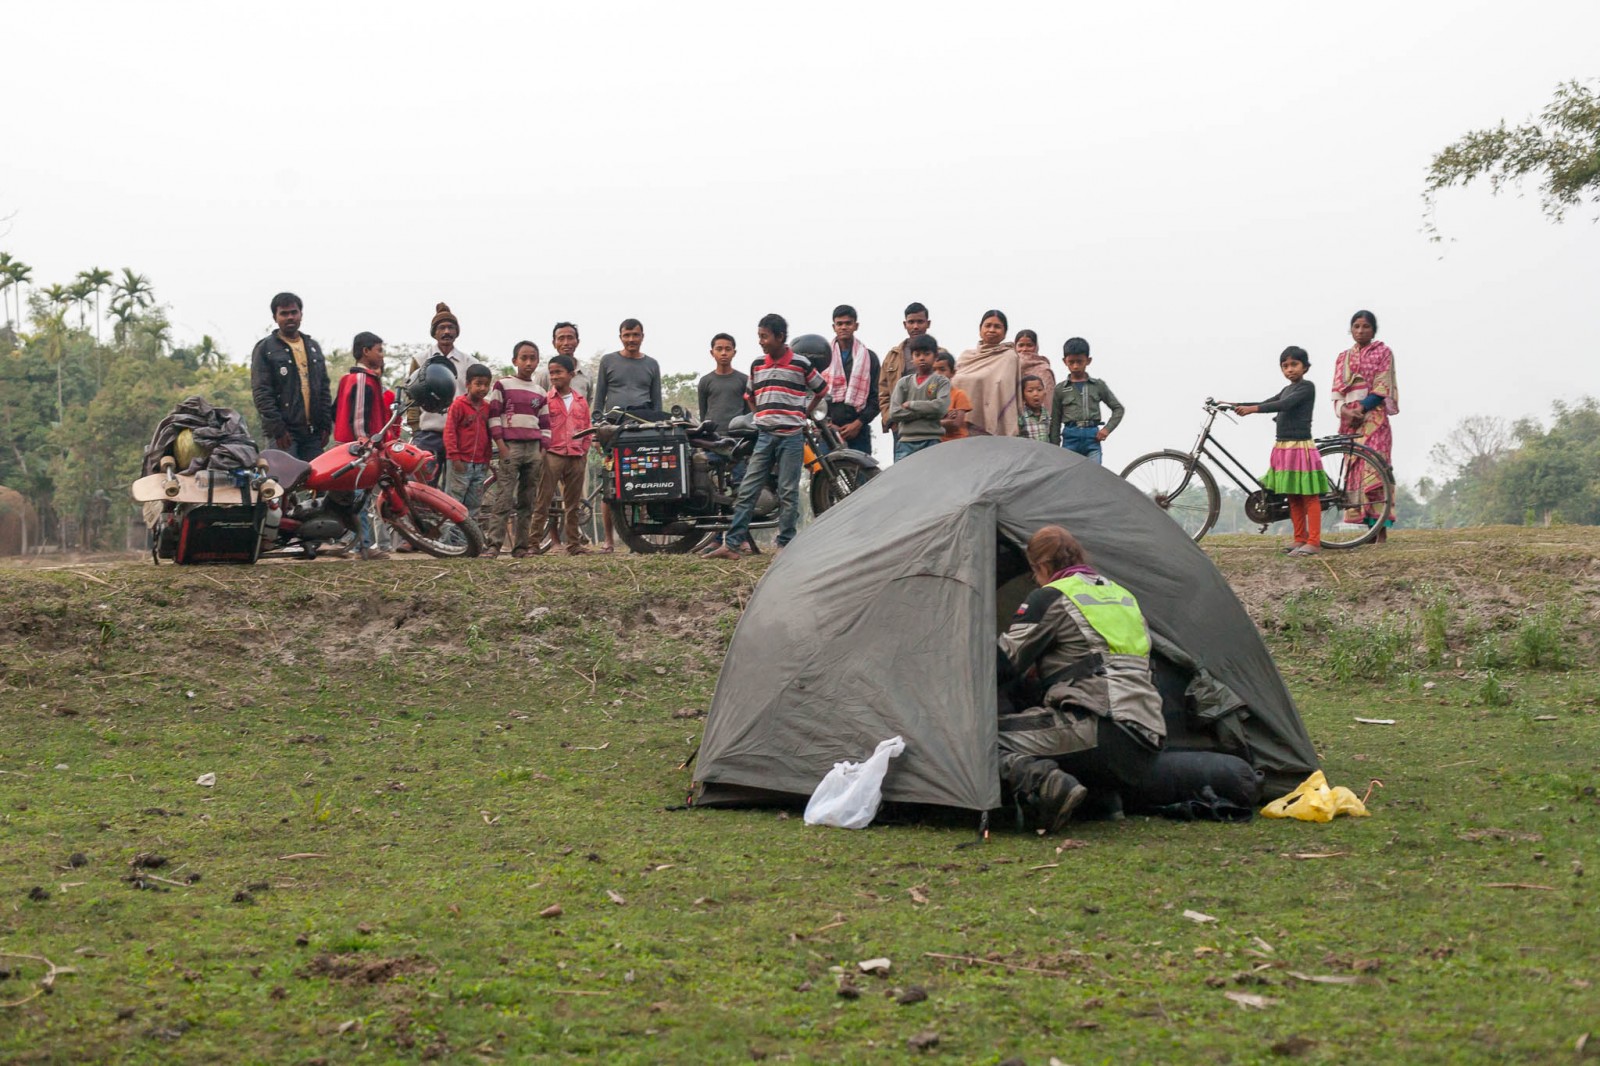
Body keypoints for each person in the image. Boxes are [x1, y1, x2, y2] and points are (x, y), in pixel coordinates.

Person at [996, 525, 1166, 832]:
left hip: (1098, 728)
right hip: (1146, 736)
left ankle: (1047, 785)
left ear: (1042, 567)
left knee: (980, 739)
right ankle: (1103, 800)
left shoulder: (1050, 597)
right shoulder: (1121, 594)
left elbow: (1003, 663)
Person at [706, 315, 825, 560]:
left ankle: (785, 544)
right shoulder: (758, 364)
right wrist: (760, 416)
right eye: (759, 335)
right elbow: (750, 396)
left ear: (780, 337)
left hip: (791, 437)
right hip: (764, 437)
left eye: (764, 336)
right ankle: (733, 544)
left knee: (788, 492)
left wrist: (806, 411)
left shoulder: (801, 364)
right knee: (748, 489)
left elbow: (821, 388)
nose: (761, 341)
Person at [1233, 346, 1330, 557]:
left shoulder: (1306, 387)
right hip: (1284, 447)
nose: (1289, 370)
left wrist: (1252, 410)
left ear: (1305, 367)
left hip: (1300, 447)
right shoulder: (1287, 388)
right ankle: (1299, 538)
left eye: (1294, 364)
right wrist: (1238, 405)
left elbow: (1284, 405)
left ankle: (1313, 541)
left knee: (1309, 496)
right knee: (1292, 496)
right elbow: (1270, 402)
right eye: (1285, 366)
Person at [593, 318, 662, 552]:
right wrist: (596, 429)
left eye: (636, 335)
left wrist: (658, 428)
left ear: (643, 336)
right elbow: (599, 399)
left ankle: (637, 540)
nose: (631, 339)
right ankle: (609, 540)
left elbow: (657, 403)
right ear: (620, 336)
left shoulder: (652, 364)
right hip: (613, 429)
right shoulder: (608, 361)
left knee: (642, 481)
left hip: (642, 429)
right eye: (627, 335)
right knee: (609, 483)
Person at [1330, 309, 1399, 539]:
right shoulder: (1343, 357)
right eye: (1356, 326)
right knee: (1357, 473)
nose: (1360, 331)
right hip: (1351, 424)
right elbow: (1337, 392)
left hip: (1375, 421)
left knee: (1377, 470)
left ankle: (1380, 531)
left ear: (1374, 330)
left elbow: (1382, 385)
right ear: (1350, 330)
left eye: (1365, 326)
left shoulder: (1383, 353)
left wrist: (1363, 407)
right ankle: (1368, 530)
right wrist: (1346, 411)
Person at [331, 331, 395, 560]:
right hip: (358, 448)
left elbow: (334, 410)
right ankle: (362, 546)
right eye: (379, 350)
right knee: (359, 497)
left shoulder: (354, 379)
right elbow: (359, 417)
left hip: (351, 445)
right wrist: (364, 444)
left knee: (358, 497)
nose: (382, 354)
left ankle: (359, 544)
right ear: (366, 351)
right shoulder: (361, 379)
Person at [485, 340, 552, 558]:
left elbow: (545, 425)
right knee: (504, 497)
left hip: (533, 449)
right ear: (515, 360)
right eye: (524, 358)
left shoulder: (540, 392)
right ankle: (493, 545)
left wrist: (542, 450)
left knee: (527, 499)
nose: (528, 362)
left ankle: (521, 546)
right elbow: (494, 416)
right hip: (510, 447)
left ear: (538, 361)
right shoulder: (502, 385)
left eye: (533, 358)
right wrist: (501, 445)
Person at [251, 292, 333, 461]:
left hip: (313, 433)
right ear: (275, 317)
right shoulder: (265, 348)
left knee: (318, 482)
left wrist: (326, 425)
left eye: (294, 312)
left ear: (301, 315)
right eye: (284, 313)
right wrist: (278, 430)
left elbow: (323, 388)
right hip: (283, 434)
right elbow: (262, 393)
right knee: (285, 484)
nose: (290, 317)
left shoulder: (313, 347)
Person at [533, 322, 593, 550]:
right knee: (544, 500)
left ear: (571, 374)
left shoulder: (581, 394)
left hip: (576, 454)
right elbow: (538, 417)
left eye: (570, 337)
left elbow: (587, 424)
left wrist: (585, 449)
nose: (555, 376)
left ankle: (574, 544)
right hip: (553, 453)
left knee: (573, 503)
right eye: (552, 373)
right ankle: (535, 543)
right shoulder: (545, 391)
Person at [405, 302, 473, 481]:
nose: (446, 332)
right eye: (442, 327)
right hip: (428, 433)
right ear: (434, 332)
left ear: (457, 332)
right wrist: (415, 428)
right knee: (422, 486)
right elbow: (410, 397)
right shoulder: (420, 360)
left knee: (456, 488)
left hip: (460, 436)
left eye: (451, 327)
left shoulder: (469, 362)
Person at [878, 302, 952, 442]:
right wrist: (889, 418)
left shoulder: (941, 355)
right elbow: (883, 392)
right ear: (905, 324)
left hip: (932, 427)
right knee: (904, 463)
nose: (915, 326)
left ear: (928, 323)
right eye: (911, 322)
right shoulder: (893, 356)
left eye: (920, 322)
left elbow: (948, 390)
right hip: (902, 426)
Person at [1048, 338, 1124, 464]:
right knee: (1069, 476)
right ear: (1064, 361)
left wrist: (1106, 429)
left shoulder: (1098, 386)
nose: (1075, 366)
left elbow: (1118, 409)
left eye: (1080, 361)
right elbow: (1055, 421)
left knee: (1094, 476)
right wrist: (1055, 447)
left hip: (1092, 439)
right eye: (1071, 362)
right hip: (1070, 439)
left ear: (1088, 361)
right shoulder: (1060, 389)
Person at [819, 304, 879, 454]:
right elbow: (814, 394)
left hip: (859, 430)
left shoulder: (869, 358)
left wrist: (858, 423)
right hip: (828, 430)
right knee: (824, 475)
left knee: (863, 474)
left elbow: (877, 396)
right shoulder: (822, 356)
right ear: (834, 327)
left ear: (856, 325)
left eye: (848, 323)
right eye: (840, 324)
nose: (844, 327)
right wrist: (827, 423)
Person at [953, 309, 1021, 437]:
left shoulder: (1009, 357)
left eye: (997, 326)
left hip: (989, 426)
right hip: (959, 425)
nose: (992, 330)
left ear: (1005, 332)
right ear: (980, 330)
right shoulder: (966, 356)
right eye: (988, 325)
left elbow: (1005, 390)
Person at [885, 334, 950, 461]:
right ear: (911, 357)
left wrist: (912, 405)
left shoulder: (941, 382)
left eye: (926, 354)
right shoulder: (904, 383)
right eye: (917, 354)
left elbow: (940, 408)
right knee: (904, 479)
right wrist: (927, 410)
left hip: (932, 441)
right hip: (906, 442)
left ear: (935, 356)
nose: (922, 358)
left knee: (932, 479)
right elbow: (894, 412)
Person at [444, 364, 494, 522]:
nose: (483, 388)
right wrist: (455, 457)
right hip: (461, 462)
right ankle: (449, 543)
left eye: (486, 384)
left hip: (480, 464)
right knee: (453, 504)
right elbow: (449, 432)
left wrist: (487, 459)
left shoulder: (487, 408)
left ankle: (467, 544)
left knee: (474, 505)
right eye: (478, 384)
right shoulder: (458, 405)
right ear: (468, 384)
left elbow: (489, 434)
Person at [698, 332, 749, 430]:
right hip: (712, 437)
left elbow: (748, 413)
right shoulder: (705, 381)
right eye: (719, 349)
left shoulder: (745, 380)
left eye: (728, 349)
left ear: (734, 352)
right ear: (712, 352)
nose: (724, 353)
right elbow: (703, 413)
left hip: (738, 436)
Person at [534, 322, 594, 405]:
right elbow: (536, 402)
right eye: (561, 338)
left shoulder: (587, 374)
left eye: (570, 338)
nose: (566, 343)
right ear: (554, 343)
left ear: (577, 342)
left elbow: (587, 404)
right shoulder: (544, 374)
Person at [933, 351, 972, 441]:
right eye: (933, 370)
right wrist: (945, 420)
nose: (937, 374)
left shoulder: (959, 395)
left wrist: (931, 423)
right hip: (935, 444)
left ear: (953, 372)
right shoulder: (927, 396)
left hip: (956, 443)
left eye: (942, 370)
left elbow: (955, 424)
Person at [1018, 375, 1051, 442]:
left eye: (1039, 390)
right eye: (1030, 391)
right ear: (1022, 395)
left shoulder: (1048, 415)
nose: (1036, 394)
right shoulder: (1020, 416)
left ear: (1045, 393)